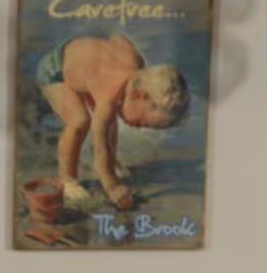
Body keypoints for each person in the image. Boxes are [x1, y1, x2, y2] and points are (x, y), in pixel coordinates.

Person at [35, 32, 190, 210]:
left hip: (80, 62)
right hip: (54, 71)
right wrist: (113, 186)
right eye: (142, 123)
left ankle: (112, 162)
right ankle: (67, 179)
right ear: (138, 95)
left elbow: (118, 37)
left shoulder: (137, 66)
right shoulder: (109, 94)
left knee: (109, 122)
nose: (139, 129)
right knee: (79, 121)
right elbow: (99, 145)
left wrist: (93, 57)